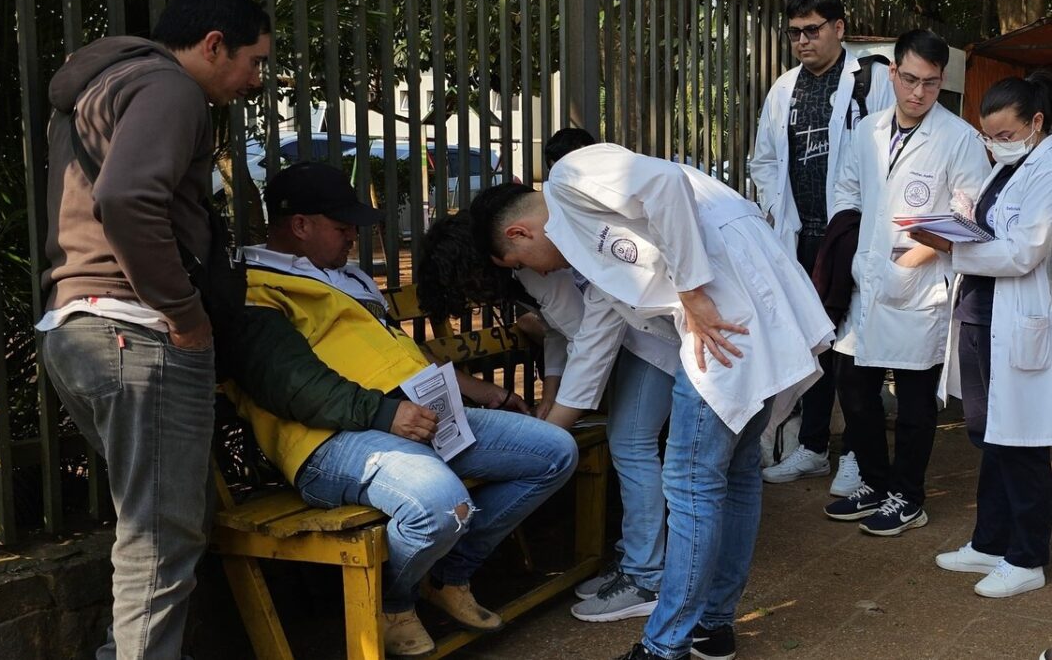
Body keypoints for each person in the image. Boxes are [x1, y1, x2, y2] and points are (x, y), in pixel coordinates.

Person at [469, 143, 833, 660]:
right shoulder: (583, 243)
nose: (541, 275)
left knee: (691, 481)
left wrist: (691, 290)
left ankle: (666, 646)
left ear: (519, 233)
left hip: (723, 319)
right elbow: (594, 341)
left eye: (520, 263)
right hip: (737, 317)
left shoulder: (570, 175)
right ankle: (714, 626)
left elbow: (664, 185)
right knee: (734, 475)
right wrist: (553, 431)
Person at [225, 162, 578, 657]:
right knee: (440, 503)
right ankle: (396, 601)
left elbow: (396, 356)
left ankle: (449, 575)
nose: (353, 237)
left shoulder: (347, 277)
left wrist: (480, 390)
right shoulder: (252, 288)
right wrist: (384, 416)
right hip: (330, 441)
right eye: (342, 227)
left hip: (415, 419)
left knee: (555, 452)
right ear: (300, 225)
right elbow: (291, 385)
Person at [36, 0, 269, 657]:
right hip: (136, 330)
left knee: (166, 518)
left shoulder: (110, 83)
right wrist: (184, 312)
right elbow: (128, 196)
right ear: (213, 44)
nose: (256, 81)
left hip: (79, 326)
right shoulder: (172, 90)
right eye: (253, 61)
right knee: (161, 534)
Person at [419, 212, 676, 623]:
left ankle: (644, 576)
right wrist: (551, 395)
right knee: (628, 443)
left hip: (644, 341)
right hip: (628, 340)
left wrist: (553, 430)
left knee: (631, 444)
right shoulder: (519, 271)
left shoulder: (530, 270)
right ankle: (637, 560)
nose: (470, 300)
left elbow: (588, 341)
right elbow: (560, 331)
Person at [822, 30, 991, 536]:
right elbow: (846, 190)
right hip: (866, 280)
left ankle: (907, 496)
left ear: (943, 84)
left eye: (931, 84)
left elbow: (971, 215)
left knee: (916, 400)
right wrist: (848, 249)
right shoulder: (868, 129)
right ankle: (874, 482)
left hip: (920, 285)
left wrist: (912, 258)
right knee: (854, 387)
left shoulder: (958, 137)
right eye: (910, 79)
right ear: (893, 74)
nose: (918, 93)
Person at [910, 72, 1052, 598]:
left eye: (1006, 135)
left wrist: (953, 247)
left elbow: (1024, 251)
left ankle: (1028, 556)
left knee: (1022, 445)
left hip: (1016, 320)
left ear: (1036, 123)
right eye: (989, 136)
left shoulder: (1047, 169)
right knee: (988, 436)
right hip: (980, 313)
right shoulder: (1007, 171)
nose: (996, 145)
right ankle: (990, 541)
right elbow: (993, 231)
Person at [751, 0, 895, 495]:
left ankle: (855, 452)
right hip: (803, 239)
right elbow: (763, 159)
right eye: (794, 33)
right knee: (813, 346)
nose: (803, 41)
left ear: (838, 27)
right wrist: (776, 210)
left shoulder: (873, 81)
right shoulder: (784, 88)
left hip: (854, 236)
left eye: (812, 30)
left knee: (857, 349)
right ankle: (812, 447)